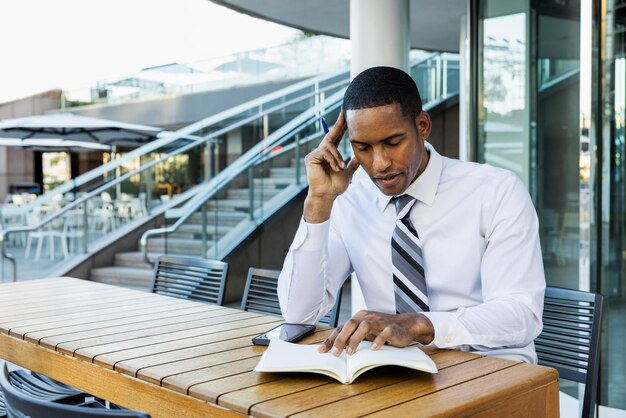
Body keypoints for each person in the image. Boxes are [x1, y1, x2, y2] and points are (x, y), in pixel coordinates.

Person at [277, 66, 545, 363]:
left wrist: (419, 325)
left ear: (422, 125)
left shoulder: (496, 191)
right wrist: (318, 202)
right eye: (362, 148)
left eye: (393, 142)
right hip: (394, 371)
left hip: (491, 367)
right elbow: (298, 314)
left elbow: (521, 314)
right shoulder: (349, 203)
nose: (379, 164)